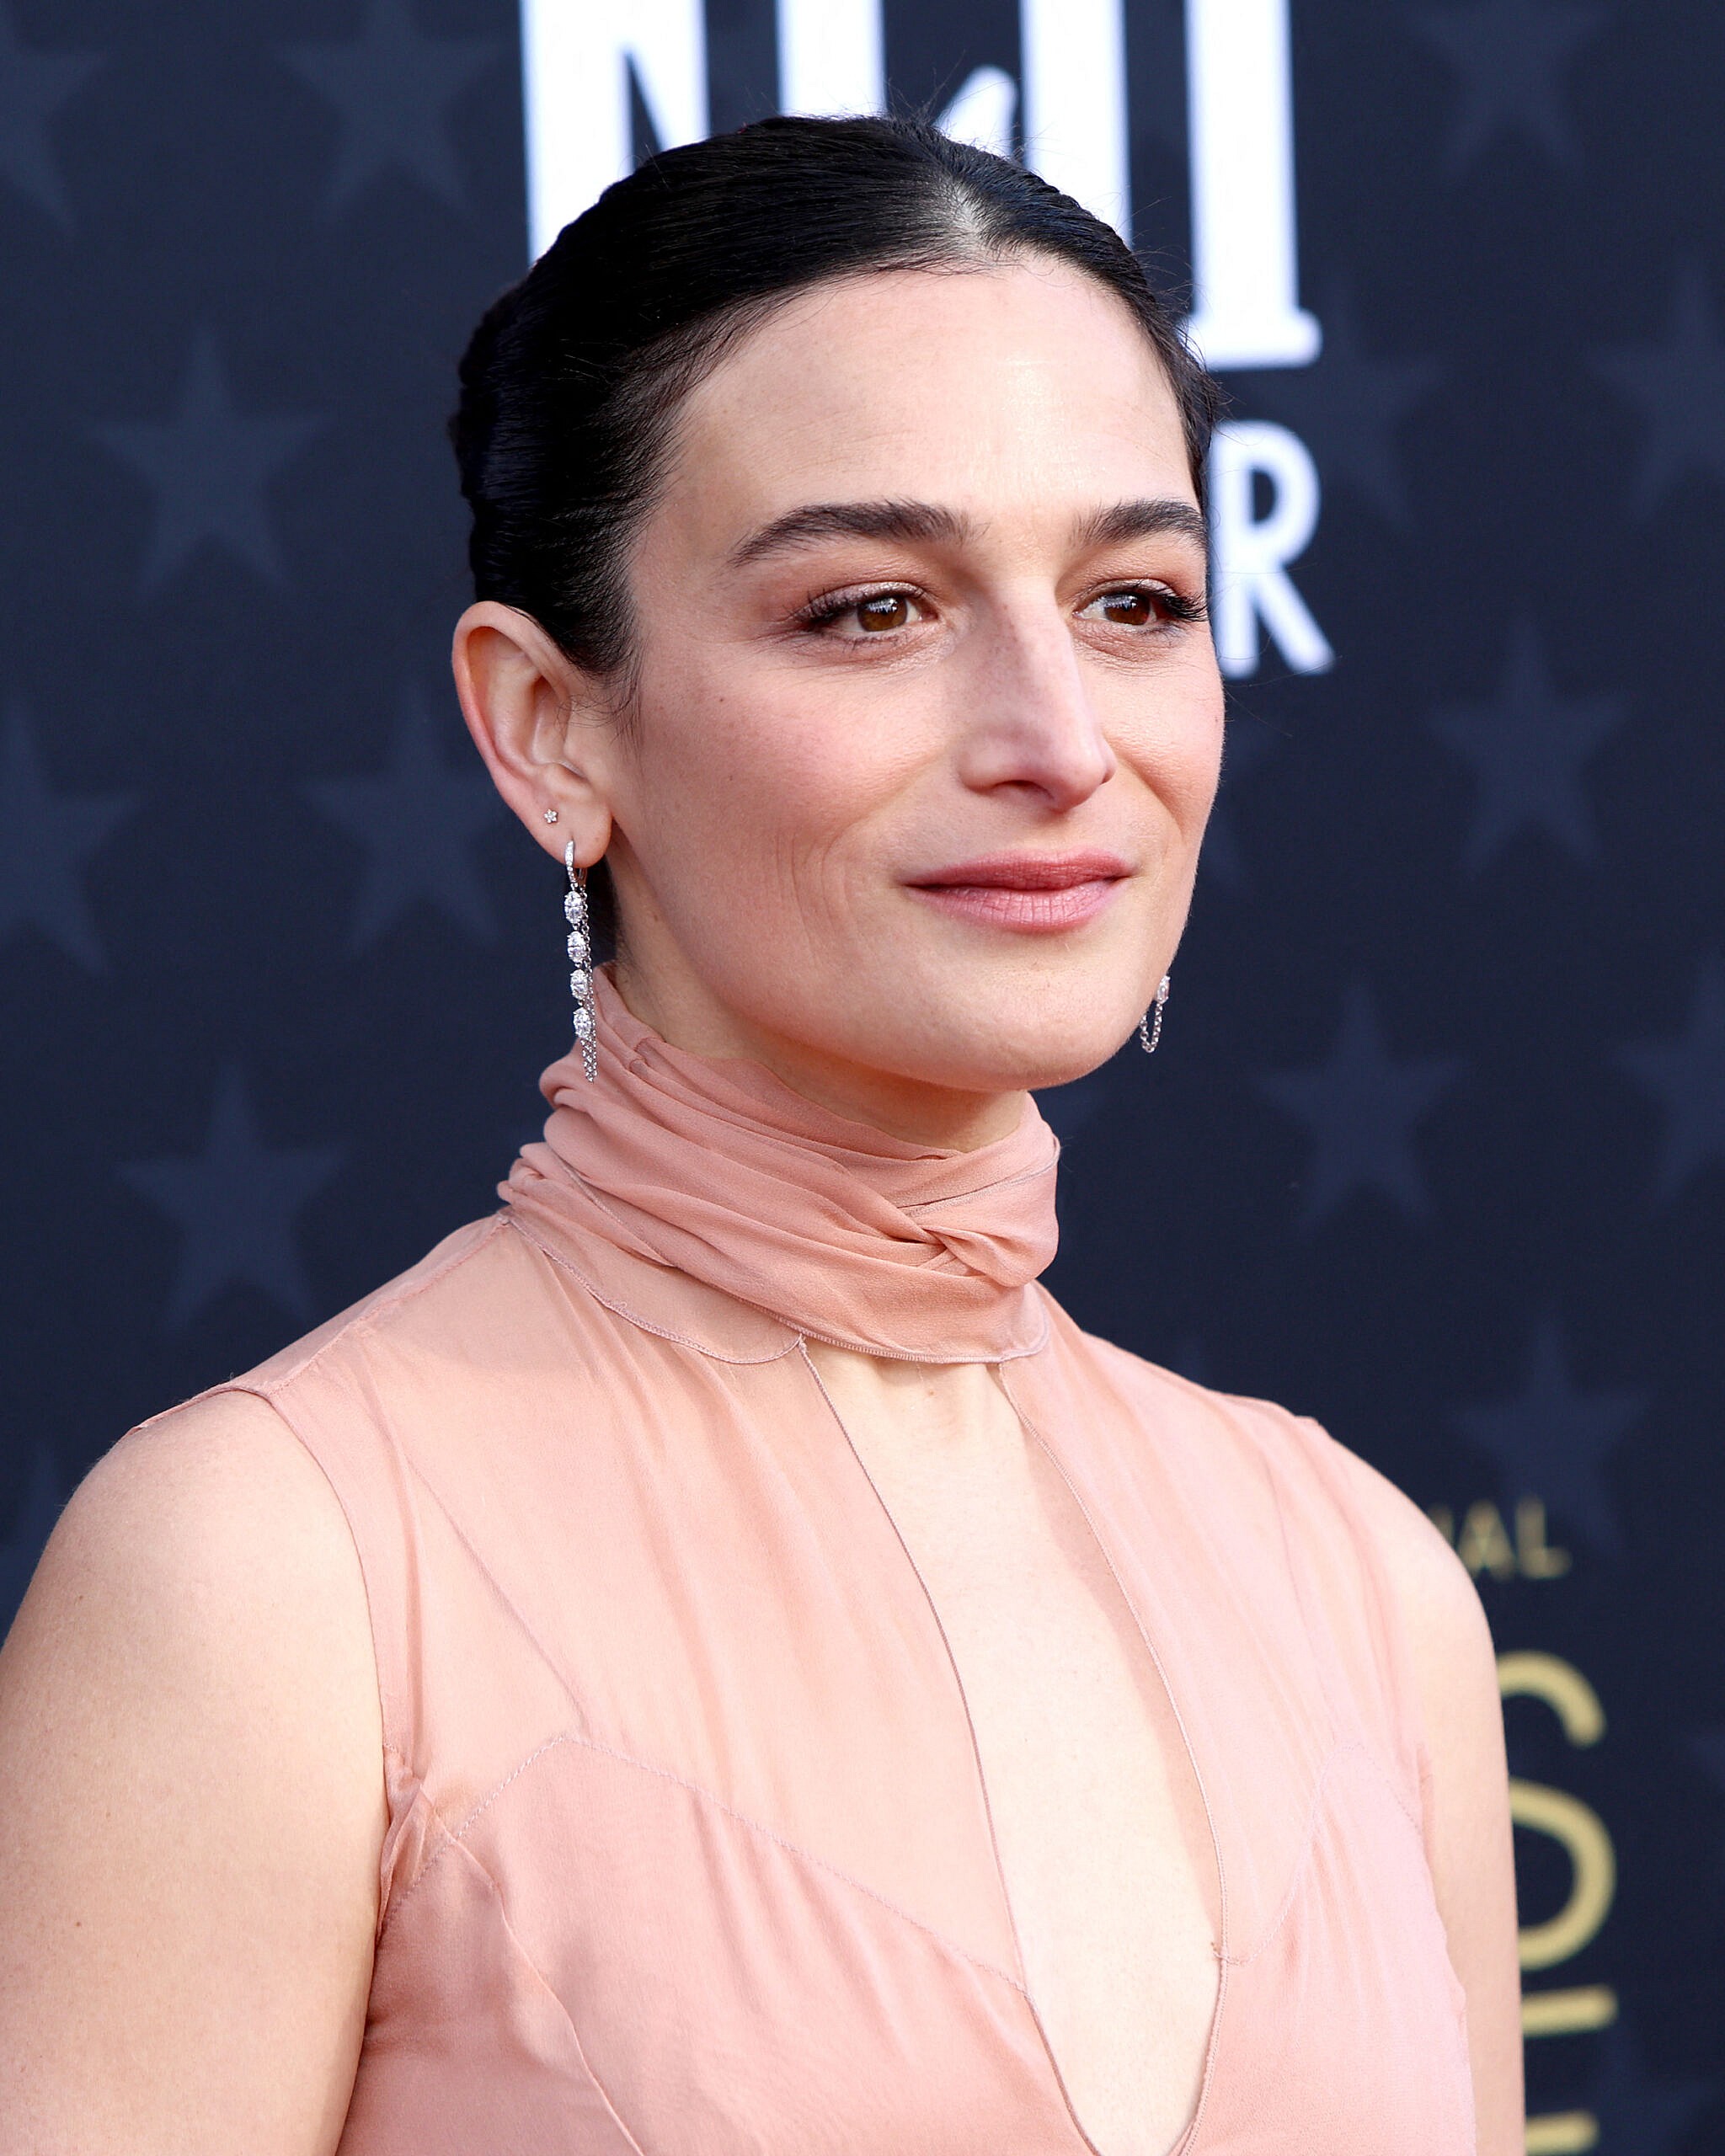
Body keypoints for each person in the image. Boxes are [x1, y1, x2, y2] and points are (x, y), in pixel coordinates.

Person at [0, 115, 1520, 2155]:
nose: (1057, 739)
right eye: (872, 608)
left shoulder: (1362, 1578)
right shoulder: (272, 1573)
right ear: (552, 722)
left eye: (1136, 599)